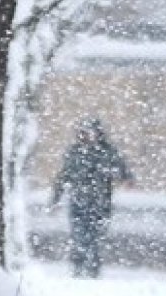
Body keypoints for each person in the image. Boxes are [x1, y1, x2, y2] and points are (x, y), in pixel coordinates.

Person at [51, 117, 133, 278]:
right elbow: (63, 176)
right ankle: (78, 268)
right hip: (78, 202)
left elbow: (121, 169)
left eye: (90, 131)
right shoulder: (74, 152)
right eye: (84, 131)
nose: (86, 135)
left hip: (100, 203)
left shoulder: (107, 151)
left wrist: (125, 178)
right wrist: (55, 199)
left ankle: (92, 270)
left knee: (95, 238)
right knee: (78, 237)